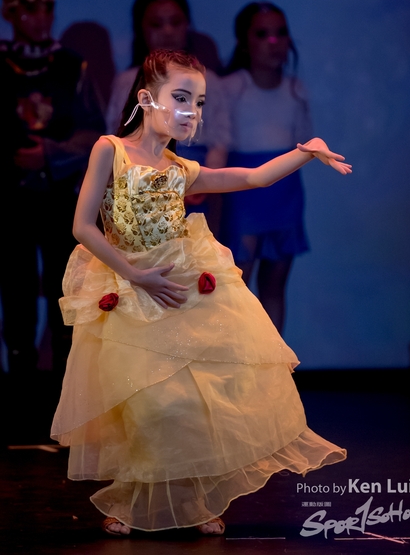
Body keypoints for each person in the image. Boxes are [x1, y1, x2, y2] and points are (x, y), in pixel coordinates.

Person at [51, 48, 350, 536]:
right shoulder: (110, 149)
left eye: (200, 102)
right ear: (146, 99)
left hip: (178, 284)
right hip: (131, 287)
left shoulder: (179, 168)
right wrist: (135, 275)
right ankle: (131, 499)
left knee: (191, 401)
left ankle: (196, 501)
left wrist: (306, 151)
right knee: (145, 402)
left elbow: (251, 177)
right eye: (182, 97)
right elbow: (83, 226)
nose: (192, 111)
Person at [0, 0, 105, 381]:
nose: (40, 17)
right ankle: (20, 391)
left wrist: (50, 153)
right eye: (29, 7)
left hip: (61, 199)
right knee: (17, 295)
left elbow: (94, 131)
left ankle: (65, 398)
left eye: (47, 6)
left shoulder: (71, 66)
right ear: (9, 10)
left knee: (68, 295)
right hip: (10, 202)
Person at [106, 0, 230, 235]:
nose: (167, 31)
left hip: (198, 180)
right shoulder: (128, 81)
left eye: (175, 22)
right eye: (156, 24)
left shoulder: (208, 81)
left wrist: (202, 181)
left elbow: (221, 138)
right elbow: (119, 135)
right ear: (141, 29)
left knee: (197, 248)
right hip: (144, 182)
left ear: (187, 26)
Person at [221, 1, 313, 333]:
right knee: (237, 286)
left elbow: (304, 140)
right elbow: (220, 141)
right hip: (244, 192)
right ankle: (235, 359)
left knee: (274, 286)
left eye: (280, 33)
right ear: (244, 42)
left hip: (285, 192)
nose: (273, 43)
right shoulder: (231, 87)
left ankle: (274, 360)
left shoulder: (295, 89)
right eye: (262, 34)